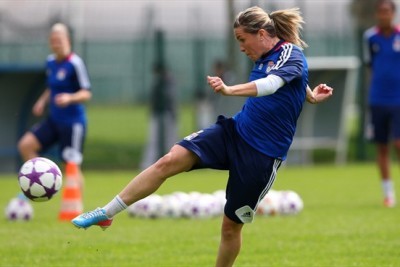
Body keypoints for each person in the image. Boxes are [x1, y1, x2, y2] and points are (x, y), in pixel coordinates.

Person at [72, 6, 333, 267]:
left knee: (230, 227)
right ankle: (107, 212)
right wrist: (310, 96)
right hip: (234, 132)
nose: (241, 47)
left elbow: (273, 83)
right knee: (169, 160)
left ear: (262, 34)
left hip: (262, 155)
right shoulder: (270, 55)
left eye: (242, 39)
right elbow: (290, 78)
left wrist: (230, 90)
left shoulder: (290, 53)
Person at [18, 23, 91, 191]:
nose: (56, 44)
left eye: (59, 40)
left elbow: (86, 93)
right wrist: (42, 101)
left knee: (71, 166)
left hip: (73, 123)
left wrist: (70, 97)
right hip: (54, 119)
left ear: (68, 41)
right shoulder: (50, 62)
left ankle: (75, 204)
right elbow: (52, 86)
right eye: (53, 40)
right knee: (26, 145)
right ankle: (39, 185)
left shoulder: (75, 63)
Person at [363, 0, 400, 208]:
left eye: (387, 11)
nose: (384, 15)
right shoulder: (370, 37)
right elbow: (370, 66)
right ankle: (389, 194)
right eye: (381, 12)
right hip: (378, 99)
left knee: (398, 144)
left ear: (393, 14)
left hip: (398, 100)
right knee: (382, 147)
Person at [140, 63, 178, 170]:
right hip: (159, 114)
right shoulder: (161, 82)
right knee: (155, 141)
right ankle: (147, 165)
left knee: (170, 141)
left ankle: (173, 165)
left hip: (166, 114)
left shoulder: (167, 81)